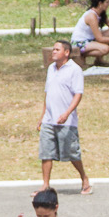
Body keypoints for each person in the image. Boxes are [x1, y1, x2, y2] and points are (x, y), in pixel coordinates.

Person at [38, 41, 90, 194]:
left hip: (67, 121)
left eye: (56, 49)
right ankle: (45, 185)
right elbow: (47, 94)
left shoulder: (75, 70)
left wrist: (67, 113)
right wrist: (42, 116)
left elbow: (78, 94)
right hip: (49, 119)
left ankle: (84, 178)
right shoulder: (51, 69)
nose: (53, 52)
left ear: (66, 52)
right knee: (46, 153)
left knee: (72, 153)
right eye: (53, 49)